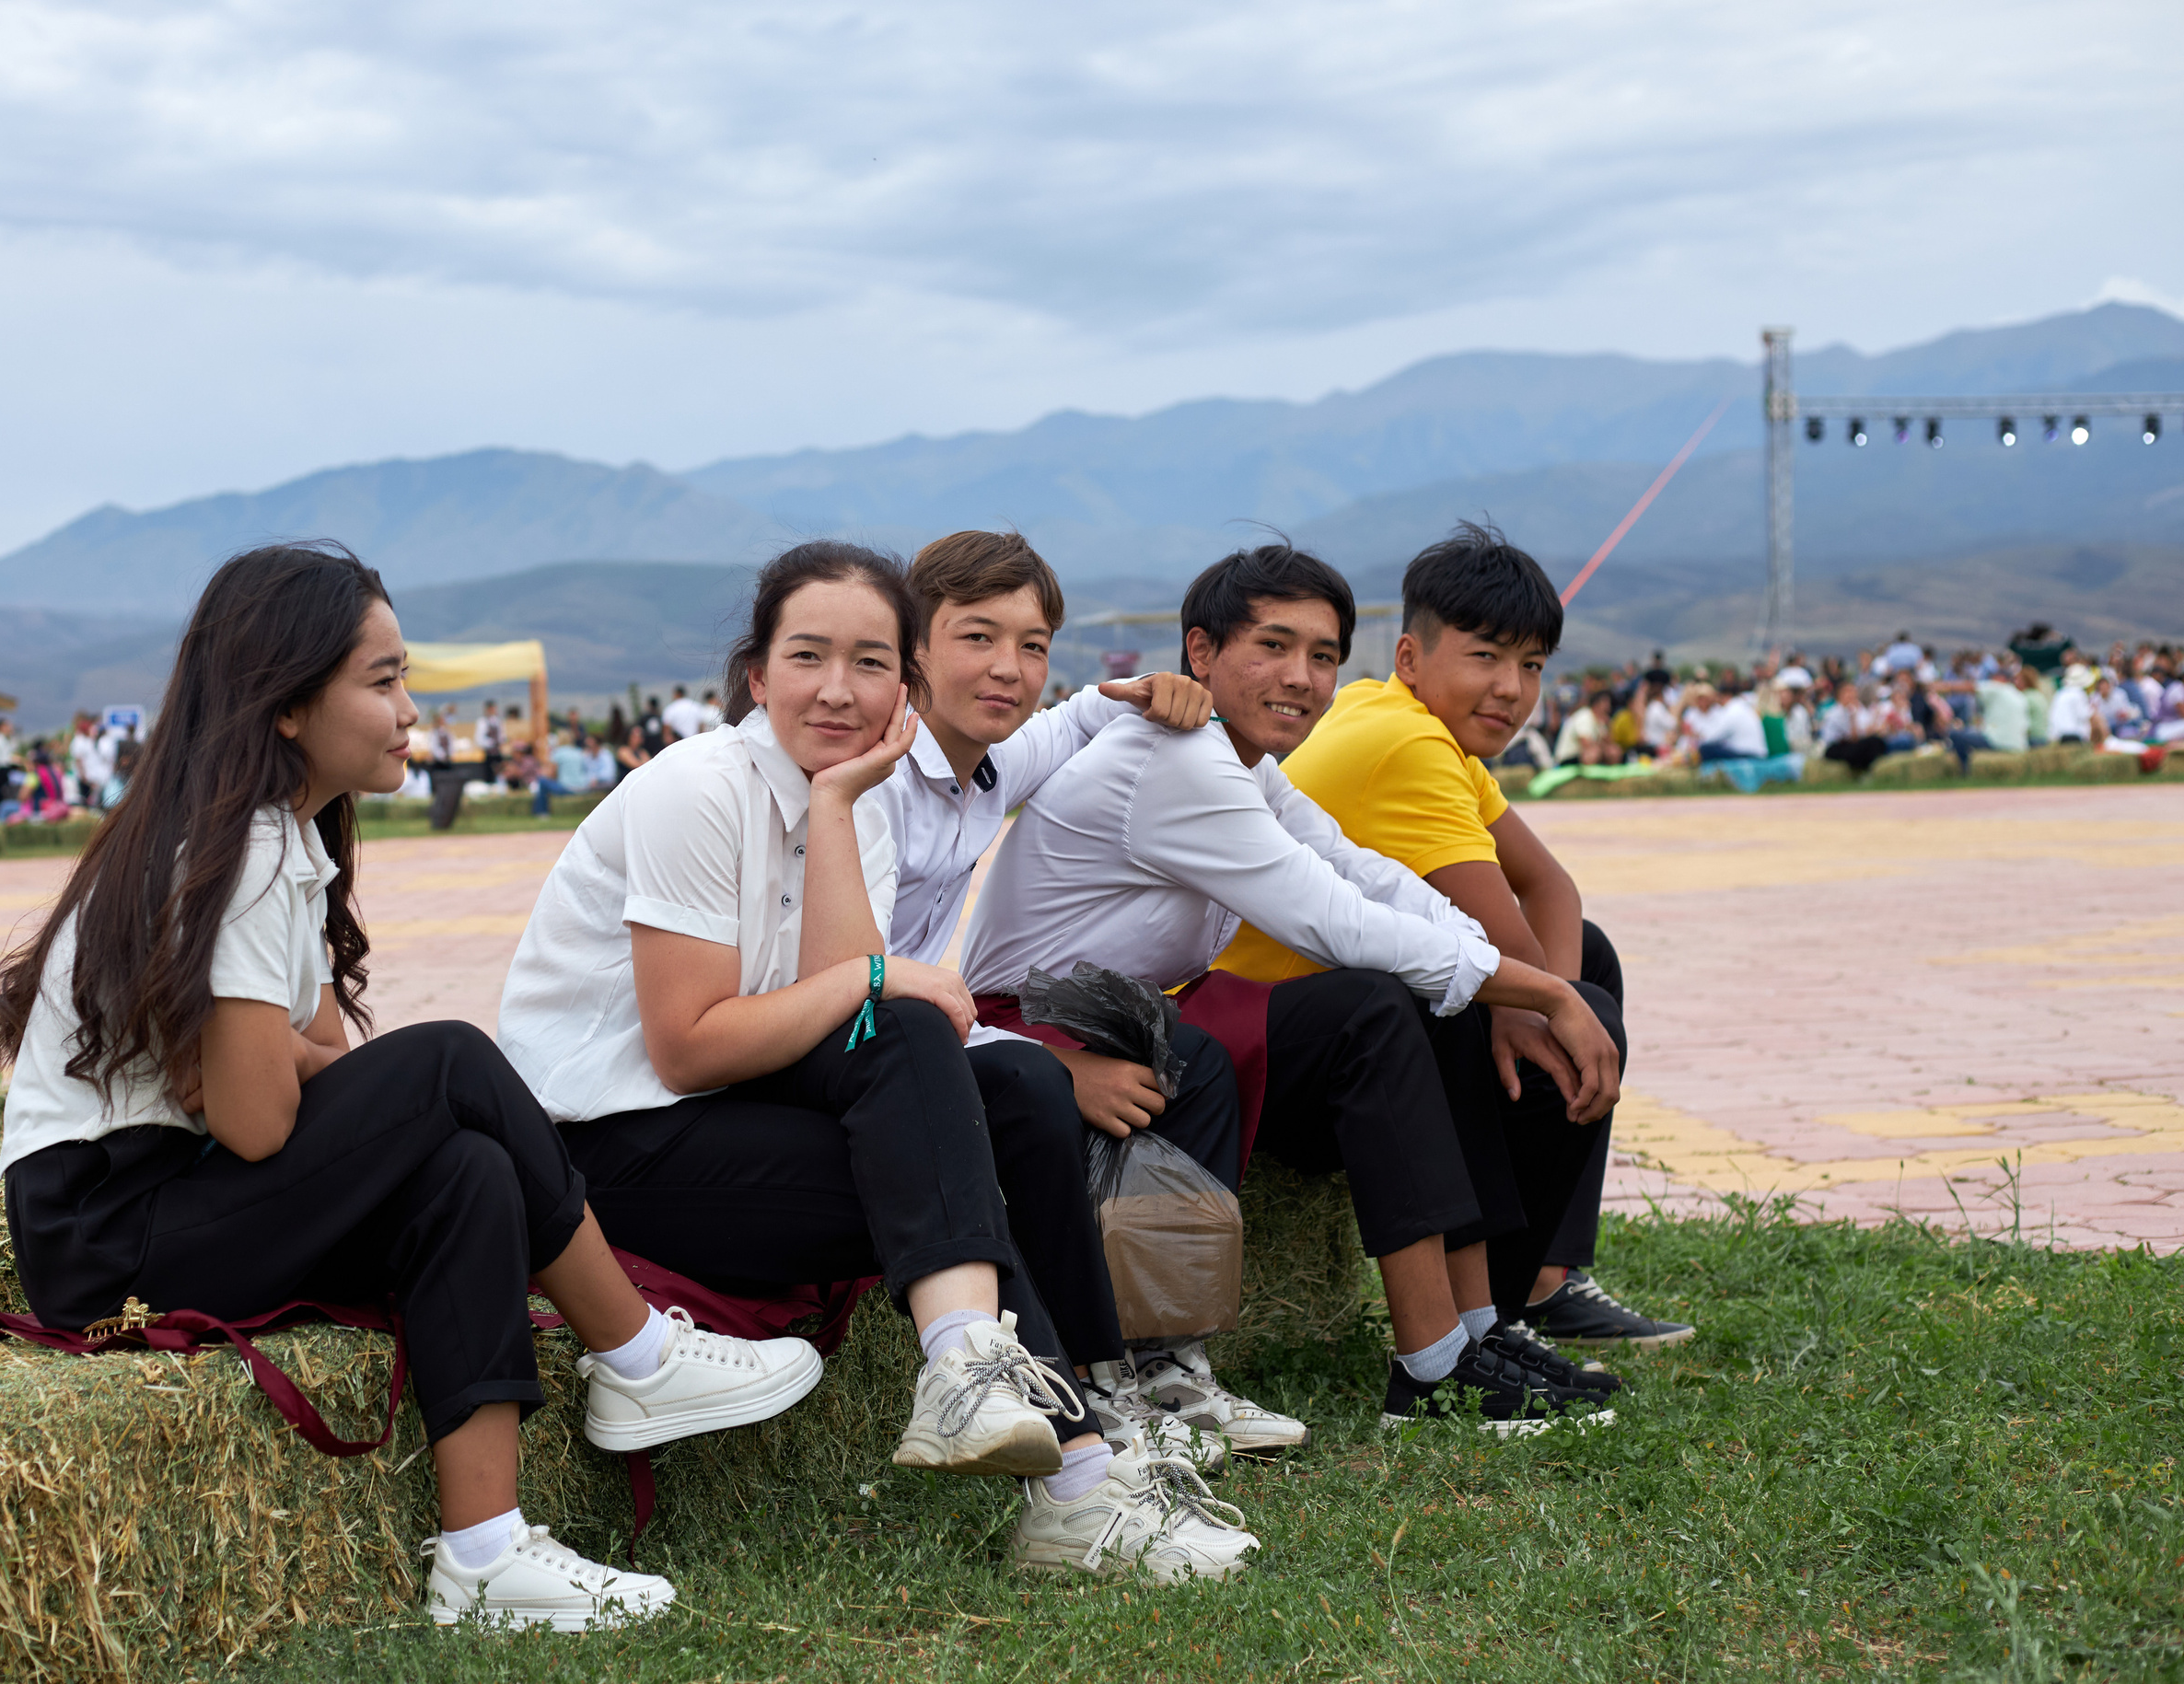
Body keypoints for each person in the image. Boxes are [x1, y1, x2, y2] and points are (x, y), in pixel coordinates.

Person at [0, 543, 823, 1633]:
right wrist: (308, 1062)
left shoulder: (286, 842)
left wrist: (302, 1059)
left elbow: (320, 1062)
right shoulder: (230, 856)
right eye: (382, 681)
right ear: (285, 703)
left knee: (464, 1164)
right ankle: (635, 1349)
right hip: (111, 1232)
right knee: (452, 1059)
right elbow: (256, 1120)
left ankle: (484, 1554)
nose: (411, 710)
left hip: (180, 1196)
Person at [497, 540, 1258, 1581]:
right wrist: (883, 976)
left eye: (870, 662)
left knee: (1017, 1082)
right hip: (608, 1153)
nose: (838, 688)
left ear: (904, 681)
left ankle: (1053, 1387)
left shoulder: (851, 798)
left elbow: (839, 1026)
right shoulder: (696, 788)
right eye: (808, 656)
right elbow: (685, 1049)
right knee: (936, 1123)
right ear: (756, 674)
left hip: (739, 1110)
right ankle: (1073, 1466)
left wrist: (836, 811)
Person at [961, 543, 1624, 1436]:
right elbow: (1330, 917)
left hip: (1151, 1012)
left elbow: (1361, 873)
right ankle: (1431, 1368)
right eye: (1272, 646)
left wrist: (1511, 980)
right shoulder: (1177, 760)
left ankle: (1470, 1335)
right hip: (1049, 1030)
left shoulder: (1240, 762)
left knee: (1421, 991)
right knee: (1374, 1001)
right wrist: (1541, 993)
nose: (1300, 677)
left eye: (1321, 655)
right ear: (1200, 653)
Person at [1215, 523, 1690, 1349]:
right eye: (1485, 656)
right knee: (1557, 1015)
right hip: (1292, 1055)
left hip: (1337, 1018)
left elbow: (1552, 888)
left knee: (1582, 968)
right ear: (1410, 657)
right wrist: (1551, 1010)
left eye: (1533, 665)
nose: (1511, 687)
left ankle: (1545, 1278)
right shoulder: (1406, 743)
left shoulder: (1404, 714)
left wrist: (1547, 1004)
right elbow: (1512, 946)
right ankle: (1496, 1316)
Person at [872, 529, 1279, 1458]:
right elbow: (852, 992)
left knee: (1190, 1058)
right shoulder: (878, 778)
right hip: (867, 1045)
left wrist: (1139, 693)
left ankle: (1168, 1358)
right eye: (977, 637)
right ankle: (1092, 1385)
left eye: (1033, 644)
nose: (1009, 667)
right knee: (1032, 1089)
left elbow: (1067, 722)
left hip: (922, 1026)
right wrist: (1056, 1061)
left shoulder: (982, 765)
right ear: (913, 648)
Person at [1551, 690, 1618, 766]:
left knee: (1613, 751)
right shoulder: (1584, 716)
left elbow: (1610, 743)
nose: (1608, 706)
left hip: (1580, 757)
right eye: (1606, 703)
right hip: (1568, 759)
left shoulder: (1601, 721)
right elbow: (1586, 744)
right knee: (1594, 753)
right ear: (1597, 704)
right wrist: (1602, 745)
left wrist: (1609, 726)